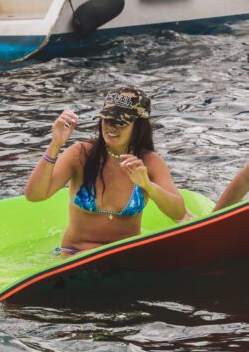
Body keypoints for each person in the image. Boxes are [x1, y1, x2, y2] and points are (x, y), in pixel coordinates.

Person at [24, 86, 186, 255]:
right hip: (75, 256)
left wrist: (148, 185)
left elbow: (178, 212)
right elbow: (34, 195)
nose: (111, 128)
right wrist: (55, 144)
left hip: (124, 258)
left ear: (138, 126)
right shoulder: (81, 154)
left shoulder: (149, 162)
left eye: (120, 122)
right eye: (107, 120)